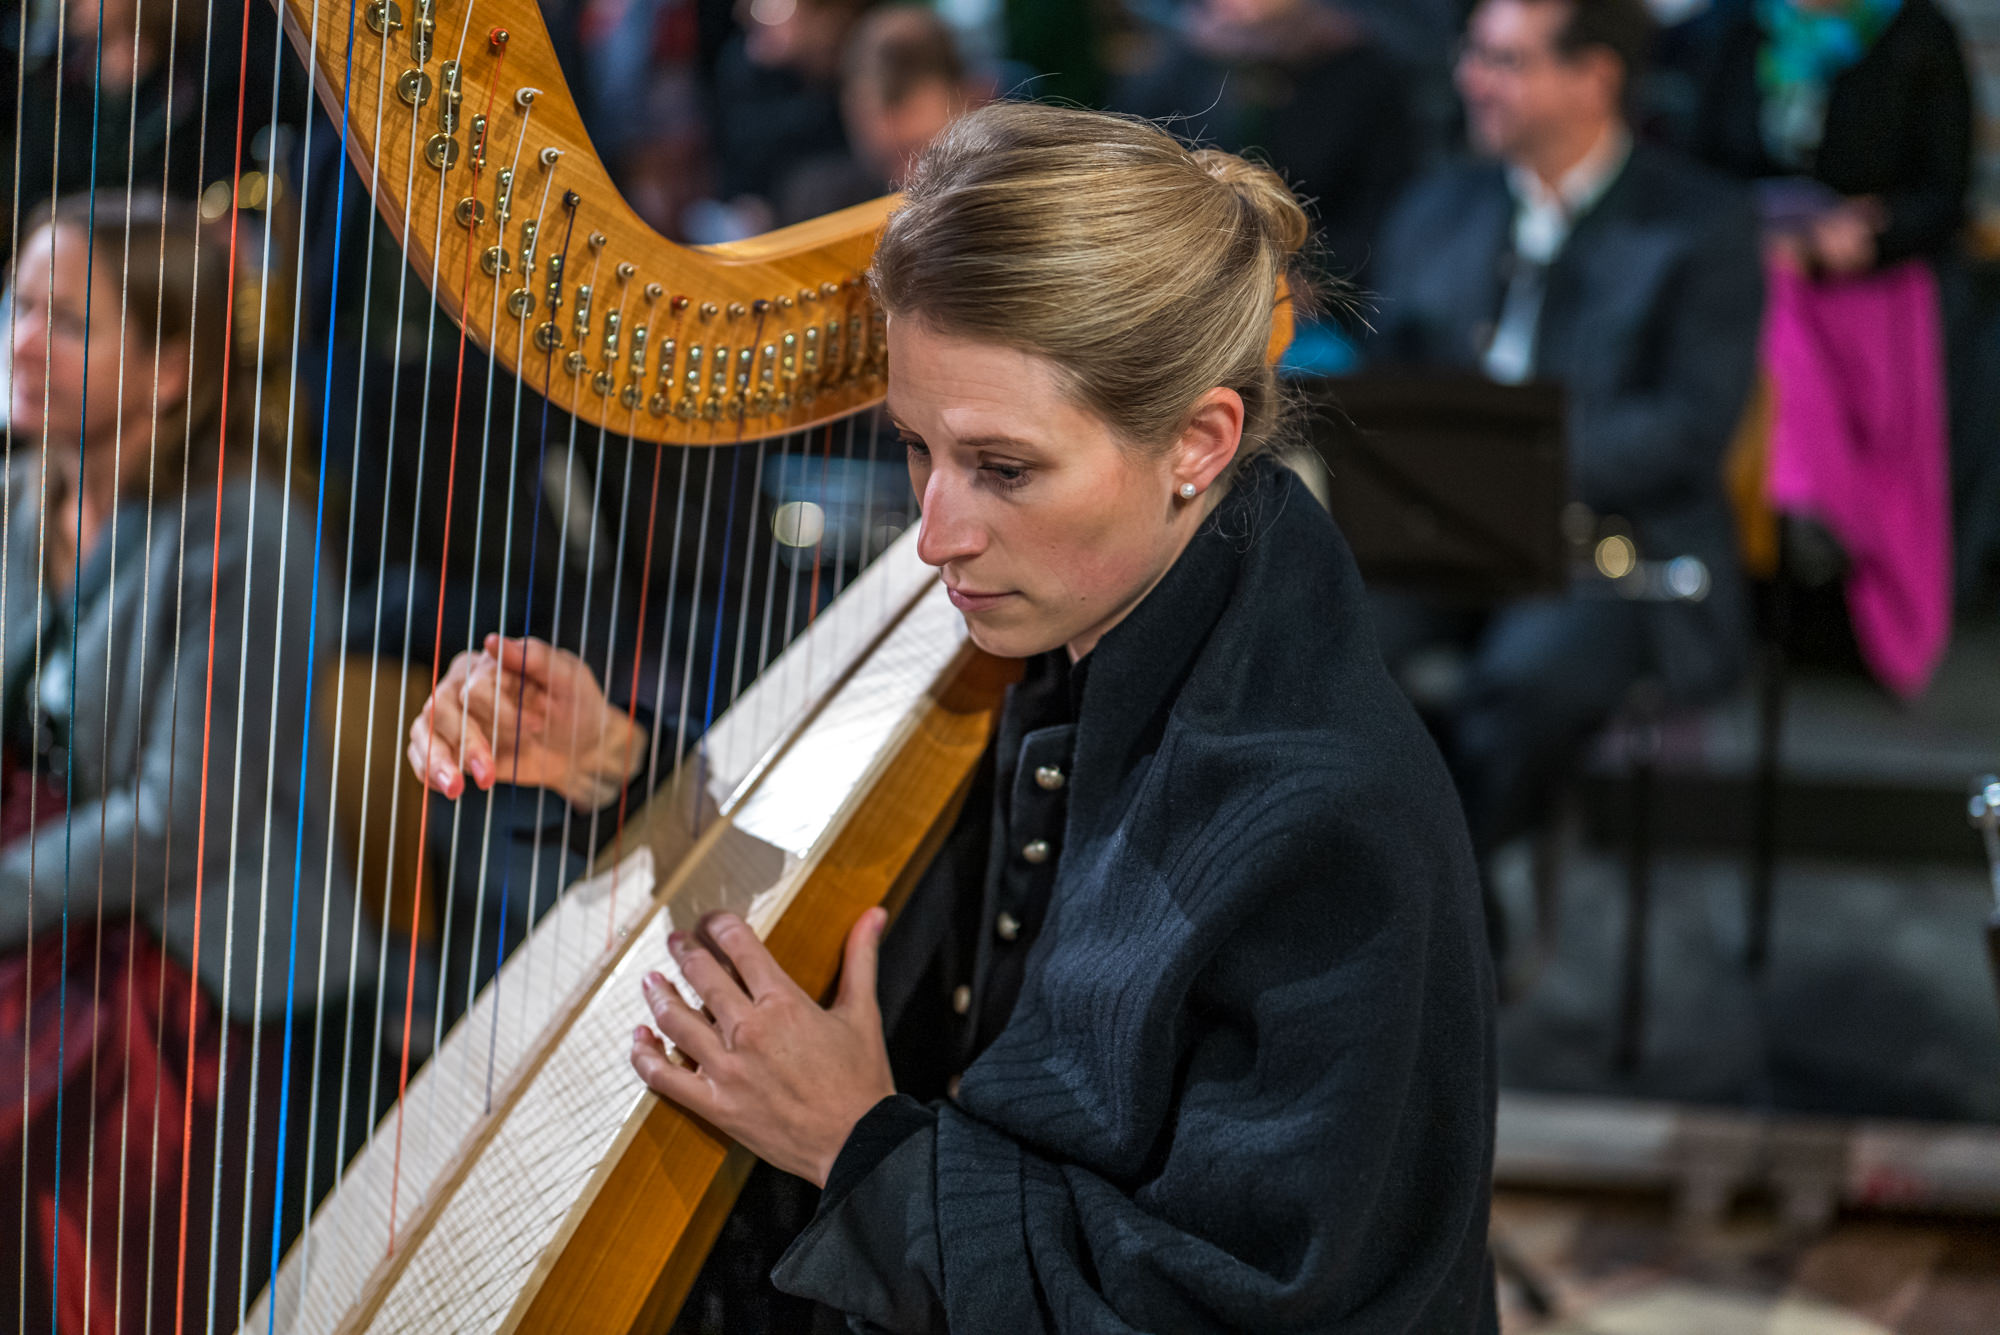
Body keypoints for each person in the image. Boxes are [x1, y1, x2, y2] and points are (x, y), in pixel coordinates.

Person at [411, 101, 1499, 1331]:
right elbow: (919, 921)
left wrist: (857, 1146)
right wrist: (618, 765)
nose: (934, 536)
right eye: (917, 449)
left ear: (1198, 441)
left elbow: (1221, 1309)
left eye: (1003, 468)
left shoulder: (1324, 822)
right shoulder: (1079, 634)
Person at [0, 194, 374, 1333]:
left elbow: (182, 818)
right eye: (19, 305)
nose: (22, 342)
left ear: (169, 372)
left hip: (179, 959)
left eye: (67, 322)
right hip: (48, 915)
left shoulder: (247, 531)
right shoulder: (22, 496)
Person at [1370, 0, 1763, 879]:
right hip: (1437, 537)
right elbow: (1386, 385)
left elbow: (1688, 426)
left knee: (1528, 684)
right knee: (1322, 641)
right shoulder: (1438, 205)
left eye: (1505, 61)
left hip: (1609, 543)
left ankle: (1444, 891)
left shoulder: (1698, 224)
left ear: (1595, 78)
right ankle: (1424, 882)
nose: (1472, 79)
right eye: (1472, 54)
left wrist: (1508, 471)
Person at [1690, 0, 1972, 276]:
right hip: (1743, 267)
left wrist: (1878, 230)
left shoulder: (1918, 31)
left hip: (1872, 279)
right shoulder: (1733, 22)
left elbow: (1944, 193)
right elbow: (1693, 170)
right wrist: (1760, 236)